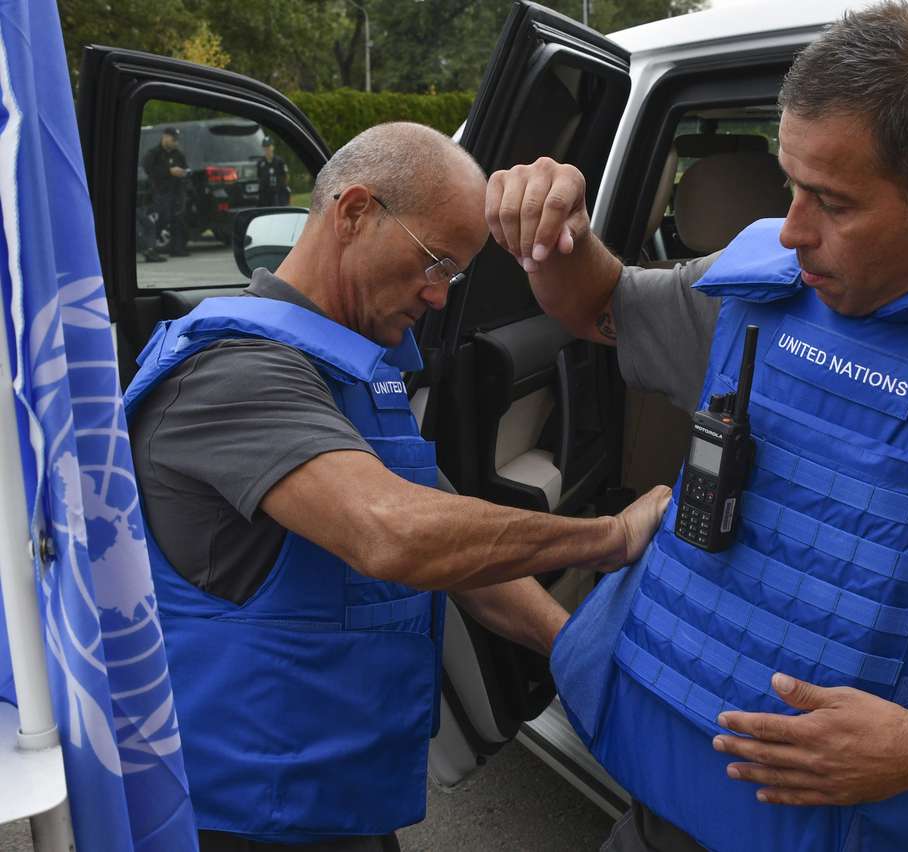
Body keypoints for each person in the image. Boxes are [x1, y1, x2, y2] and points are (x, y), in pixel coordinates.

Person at [486, 3, 908, 850]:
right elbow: (601, 305)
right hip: (659, 820)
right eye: (791, 183)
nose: (791, 228)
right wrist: (554, 235)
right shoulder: (763, 289)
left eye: (832, 202)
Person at [123, 121, 670, 852]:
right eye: (435, 262)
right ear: (354, 213)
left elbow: (455, 543)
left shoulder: (350, 364)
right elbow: (398, 535)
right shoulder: (235, 372)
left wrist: (574, 650)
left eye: (455, 274)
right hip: (239, 814)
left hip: (331, 797)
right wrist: (609, 537)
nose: (440, 297)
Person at [141, 126, 190, 257]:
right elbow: (149, 169)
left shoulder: (178, 154)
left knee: (177, 219)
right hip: (160, 192)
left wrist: (184, 173)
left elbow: (185, 168)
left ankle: (177, 249)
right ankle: (149, 247)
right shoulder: (154, 154)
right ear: (165, 137)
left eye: (177, 140)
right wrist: (169, 171)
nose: (175, 143)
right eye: (173, 140)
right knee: (162, 219)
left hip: (176, 191)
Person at [257, 135, 291, 207]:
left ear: (273, 147)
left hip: (278, 194)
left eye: (269, 146)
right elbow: (259, 177)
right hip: (265, 195)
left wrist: (282, 187)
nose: (267, 149)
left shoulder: (280, 161)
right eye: (265, 147)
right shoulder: (260, 163)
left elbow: (286, 176)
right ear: (263, 148)